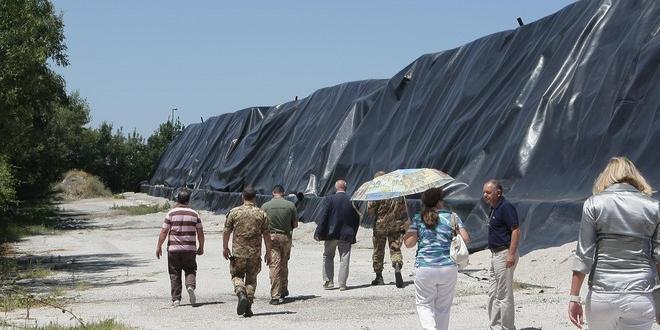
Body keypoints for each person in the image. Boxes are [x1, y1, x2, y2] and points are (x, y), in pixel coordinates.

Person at [568, 157, 660, 329]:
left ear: (606, 176)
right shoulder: (654, 207)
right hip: (640, 294)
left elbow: (584, 254)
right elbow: (659, 258)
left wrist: (574, 297)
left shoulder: (594, 204)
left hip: (602, 294)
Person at [403, 187, 470, 330]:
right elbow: (465, 239)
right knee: (443, 308)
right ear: (439, 202)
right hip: (448, 267)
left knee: (424, 304)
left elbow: (409, 244)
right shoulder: (452, 217)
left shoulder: (418, 218)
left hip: (425, 267)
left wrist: (408, 228)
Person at [223, 187, 272, 317]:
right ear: (255, 198)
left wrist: (225, 247)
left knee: (236, 276)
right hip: (254, 254)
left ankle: (240, 293)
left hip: (238, 253)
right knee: (251, 279)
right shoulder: (261, 214)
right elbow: (267, 235)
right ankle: (248, 307)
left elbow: (227, 231)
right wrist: (268, 252)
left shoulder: (234, 212)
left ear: (242, 197)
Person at [156, 189, 205, 307]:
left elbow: (164, 231)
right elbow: (200, 233)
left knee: (174, 273)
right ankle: (190, 286)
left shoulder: (171, 213)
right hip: (189, 249)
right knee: (190, 269)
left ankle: (176, 299)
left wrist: (159, 246)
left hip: (173, 249)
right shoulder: (195, 214)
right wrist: (201, 246)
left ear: (177, 199)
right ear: (188, 200)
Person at [482, 179, 520, 330]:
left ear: (498, 192)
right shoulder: (494, 208)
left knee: (504, 295)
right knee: (493, 293)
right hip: (495, 255)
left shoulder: (506, 207)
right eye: (484, 192)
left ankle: (508, 327)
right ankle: (495, 326)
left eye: (488, 192)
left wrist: (511, 254)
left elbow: (516, 230)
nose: (485, 195)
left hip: (504, 253)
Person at [314, 179, 360, 291]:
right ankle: (342, 284)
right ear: (346, 188)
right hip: (346, 234)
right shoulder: (352, 200)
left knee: (328, 256)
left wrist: (318, 232)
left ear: (336, 188)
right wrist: (353, 233)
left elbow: (324, 217)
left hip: (331, 234)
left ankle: (329, 281)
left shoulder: (329, 199)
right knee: (344, 258)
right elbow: (357, 218)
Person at [368, 171, 409, 287]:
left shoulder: (376, 192)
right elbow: (404, 209)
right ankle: (397, 266)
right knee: (395, 248)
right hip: (395, 224)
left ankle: (379, 276)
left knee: (378, 250)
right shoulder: (397, 191)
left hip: (380, 226)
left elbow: (370, 211)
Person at [261, 184, 299, 305]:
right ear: (283, 193)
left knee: (274, 265)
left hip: (271, 237)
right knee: (284, 263)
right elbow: (295, 224)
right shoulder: (290, 205)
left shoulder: (265, 206)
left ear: (273, 193)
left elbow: (262, 223)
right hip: (286, 237)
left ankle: (275, 295)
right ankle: (283, 289)